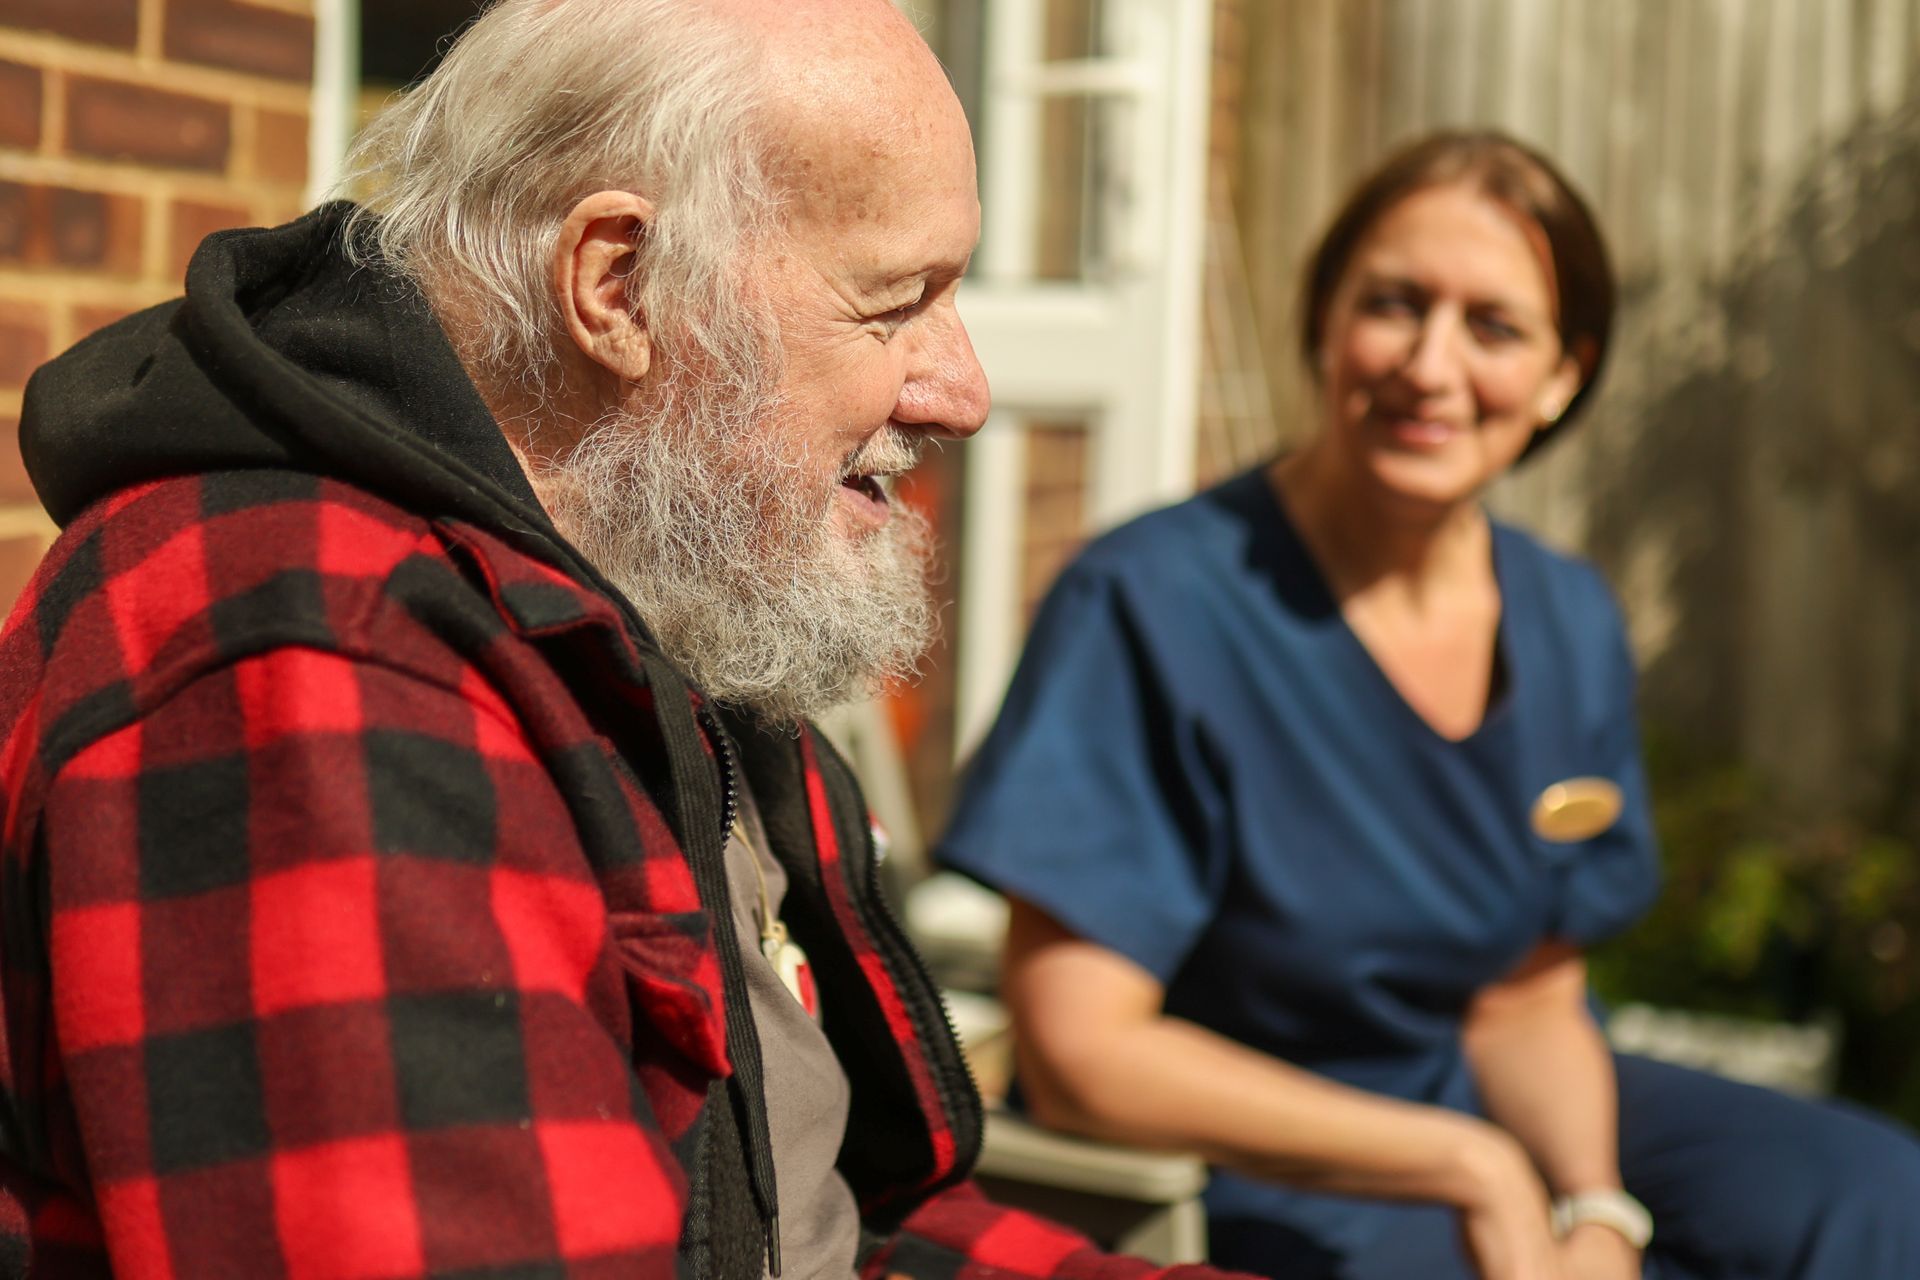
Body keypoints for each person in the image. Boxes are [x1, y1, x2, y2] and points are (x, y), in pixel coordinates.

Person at [0, 2, 1259, 1276]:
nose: (964, 390)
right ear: (618, 285)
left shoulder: (647, 577)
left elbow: (812, 1219)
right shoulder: (319, 657)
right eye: (895, 304)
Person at [937, 130, 1920, 1280]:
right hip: (1258, 1150)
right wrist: (1470, 1166)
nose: (1431, 365)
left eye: (1493, 326)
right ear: (1325, 321)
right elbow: (1080, 1053)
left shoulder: (1566, 617)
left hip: (1488, 1086)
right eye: (1394, 305)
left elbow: (1526, 997)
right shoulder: (1150, 601)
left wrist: (1596, 1204)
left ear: (1562, 374)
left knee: (1879, 1201)